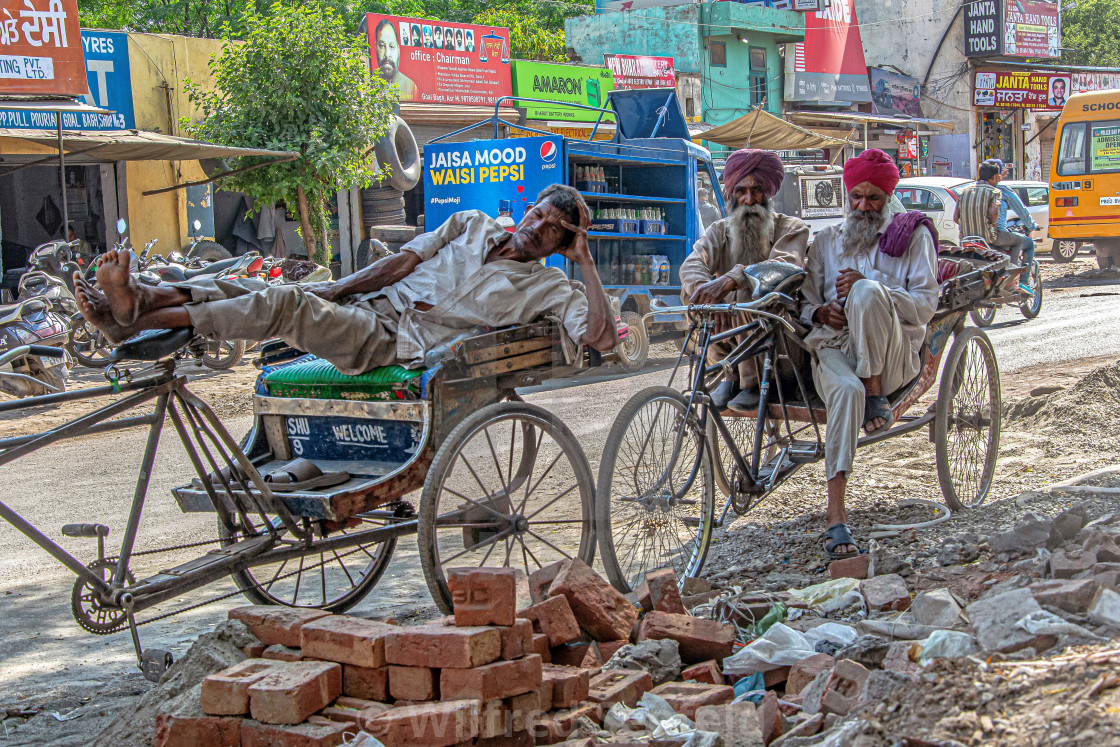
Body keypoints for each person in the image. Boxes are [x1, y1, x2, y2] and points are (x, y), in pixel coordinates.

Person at [73, 185, 617, 376]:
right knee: (252, 283)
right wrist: (337, 288)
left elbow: (600, 336)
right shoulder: (471, 224)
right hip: (368, 304)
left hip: (395, 342)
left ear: (562, 245)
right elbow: (401, 262)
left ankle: (134, 314)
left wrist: (585, 261)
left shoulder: (553, 288)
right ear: (528, 209)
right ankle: (139, 305)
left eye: (554, 231)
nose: (538, 229)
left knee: (284, 303)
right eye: (539, 215)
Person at [798, 149, 939, 559]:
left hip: (892, 355)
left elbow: (925, 306)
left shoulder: (911, 237)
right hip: (837, 347)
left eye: (873, 198)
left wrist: (871, 291)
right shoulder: (826, 242)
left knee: (865, 290)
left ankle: (873, 386)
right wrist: (822, 311)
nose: (863, 206)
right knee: (844, 392)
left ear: (887, 198)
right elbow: (805, 306)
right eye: (856, 196)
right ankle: (836, 514)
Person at [678, 148, 810, 410]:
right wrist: (714, 299)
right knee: (698, 293)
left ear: (768, 194)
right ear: (731, 194)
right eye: (741, 191)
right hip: (728, 339)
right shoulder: (720, 230)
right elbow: (693, 263)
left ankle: (750, 382)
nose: (749, 200)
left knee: (749, 291)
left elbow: (783, 267)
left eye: (756, 191)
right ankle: (729, 375)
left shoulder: (792, 228)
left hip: (782, 346)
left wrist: (731, 280)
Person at [954, 160, 1036, 293]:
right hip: (989, 236)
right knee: (1020, 241)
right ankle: (1012, 279)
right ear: (992, 177)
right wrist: (992, 223)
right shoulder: (995, 191)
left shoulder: (964, 192)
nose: (999, 179)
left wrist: (968, 226)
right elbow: (995, 212)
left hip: (966, 239)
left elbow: (955, 218)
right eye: (998, 177)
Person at [374, 18, 417, 101]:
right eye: (382, 46)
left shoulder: (410, 85)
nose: (387, 54)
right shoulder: (368, 81)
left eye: (391, 47)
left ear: (398, 49)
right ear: (376, 47)